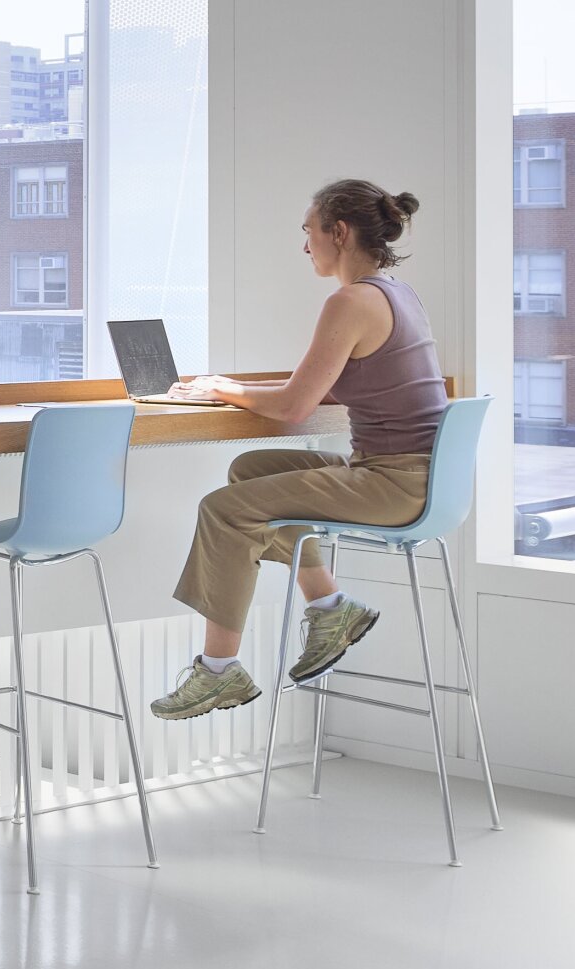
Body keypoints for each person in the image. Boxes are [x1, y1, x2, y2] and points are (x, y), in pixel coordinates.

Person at [150, 180, 450, 720]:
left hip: (394, 483)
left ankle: (218, 671)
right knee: (250, 469)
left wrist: (220, 388)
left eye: (309, 231)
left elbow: (294, 407)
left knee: (223, 509)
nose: (305, 245)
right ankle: (330, 606)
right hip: (418, 477)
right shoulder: (398, 294)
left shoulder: (350, 301)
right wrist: (234, 392)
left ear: (339, 232)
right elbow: (328, 388)